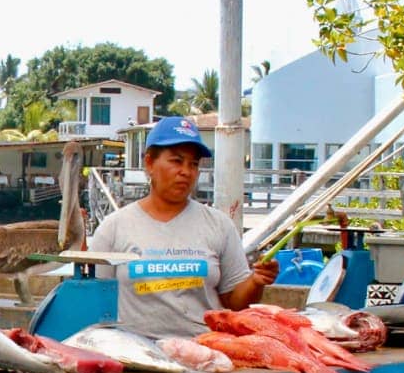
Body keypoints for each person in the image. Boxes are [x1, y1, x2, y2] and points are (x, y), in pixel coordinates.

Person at [88, 116, 279, 338]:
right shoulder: (114, 228)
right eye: (176, 161)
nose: (186, 172)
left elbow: (234, 303)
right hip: (137, 357)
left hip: (206, 355)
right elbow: (95, 302)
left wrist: (256, 281)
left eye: (194, 164)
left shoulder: (218, 225)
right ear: (149, 163)